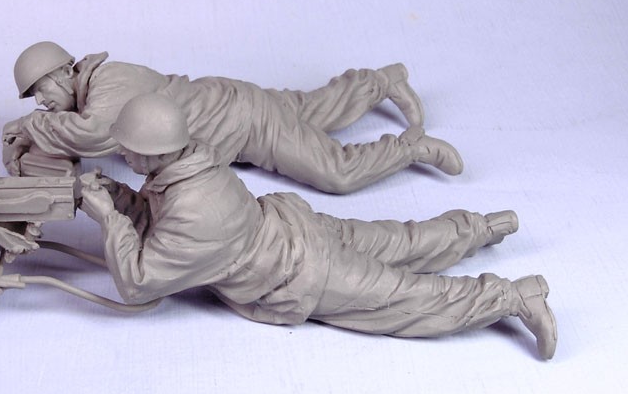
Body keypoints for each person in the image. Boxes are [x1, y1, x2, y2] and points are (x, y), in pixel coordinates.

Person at [78, 93, 558, 359]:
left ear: (155, 152)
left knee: (408, 299)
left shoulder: (196, 208)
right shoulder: (194, 164)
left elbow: (139, 282)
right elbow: (160, 221)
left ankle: (515, 297)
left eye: (128, 148)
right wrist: (118, 196)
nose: (122, 154)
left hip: (298, 272)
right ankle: (481, 228)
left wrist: (107, 217)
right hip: (295, 229)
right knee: (400, 240)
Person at [2, 41, 463, 194]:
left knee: (336, 172)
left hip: (240, 125)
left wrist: (29, 128)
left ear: (63, 72)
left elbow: (93, 135)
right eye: (33, 100)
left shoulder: (109, 82)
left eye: (40, 90)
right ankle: (381, 81)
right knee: (313, 108)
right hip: (231, 100)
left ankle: (412, 147)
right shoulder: (97, 87)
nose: (40, 101)